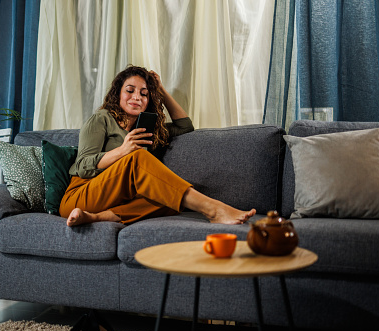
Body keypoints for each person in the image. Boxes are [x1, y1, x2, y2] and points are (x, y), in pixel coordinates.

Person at [59, 65, 256, 226]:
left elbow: (185, 126)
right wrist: (123, 150)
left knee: (169, 200)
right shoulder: (102, 119)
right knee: (137, 158)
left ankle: (97, 218)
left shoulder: (146, 131)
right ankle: (213, 209)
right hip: (80, 195)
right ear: (117, 94)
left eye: (144, 94)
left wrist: (160, 89)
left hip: (112, 202)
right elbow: (83, 166)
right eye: (130, 91)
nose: (137, 97)